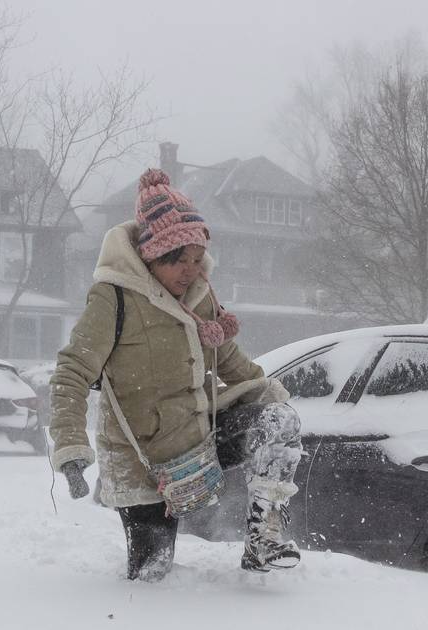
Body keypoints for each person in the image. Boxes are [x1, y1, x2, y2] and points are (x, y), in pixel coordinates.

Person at [49, 169, 304, 581]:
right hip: (143, 460)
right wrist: (71, 448)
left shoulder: (199, 298)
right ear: (152, 255)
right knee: (153, 576)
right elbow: (71, 372)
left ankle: (265, 538)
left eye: (196, 259)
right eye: (178, 260)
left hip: (199, 437)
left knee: (278, 419)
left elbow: (232, 362)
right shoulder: (113, 297)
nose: (190, 271)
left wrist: (279, 396)